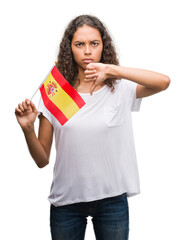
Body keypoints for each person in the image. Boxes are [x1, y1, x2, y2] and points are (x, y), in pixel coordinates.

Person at [15, 15, 170, 240]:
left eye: (94, 44)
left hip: (112, 201)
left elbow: (163, 82)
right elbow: (42, 160)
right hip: (66, 204)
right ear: (70, 49)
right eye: (80, 44)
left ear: (102, 47)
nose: (87, 51)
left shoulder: (120, 88)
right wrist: (27, 128)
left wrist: (112, 70)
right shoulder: (57, 93)